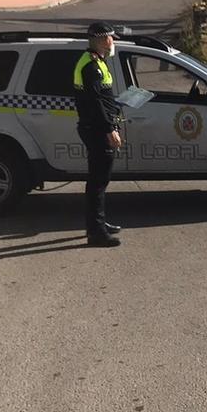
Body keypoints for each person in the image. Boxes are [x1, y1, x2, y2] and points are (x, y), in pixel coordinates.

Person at [73, 22, 124, 248]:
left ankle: (99, 223)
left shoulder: (98, 62)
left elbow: (103, 98)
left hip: (96, 127)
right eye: (111, 37)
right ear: (103, 40)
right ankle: (96, 232)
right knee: (97, 182)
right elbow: (95, 103)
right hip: (96, 129)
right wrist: (109, 129)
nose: (113, 41)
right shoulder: (91, 66)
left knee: (100, 181)